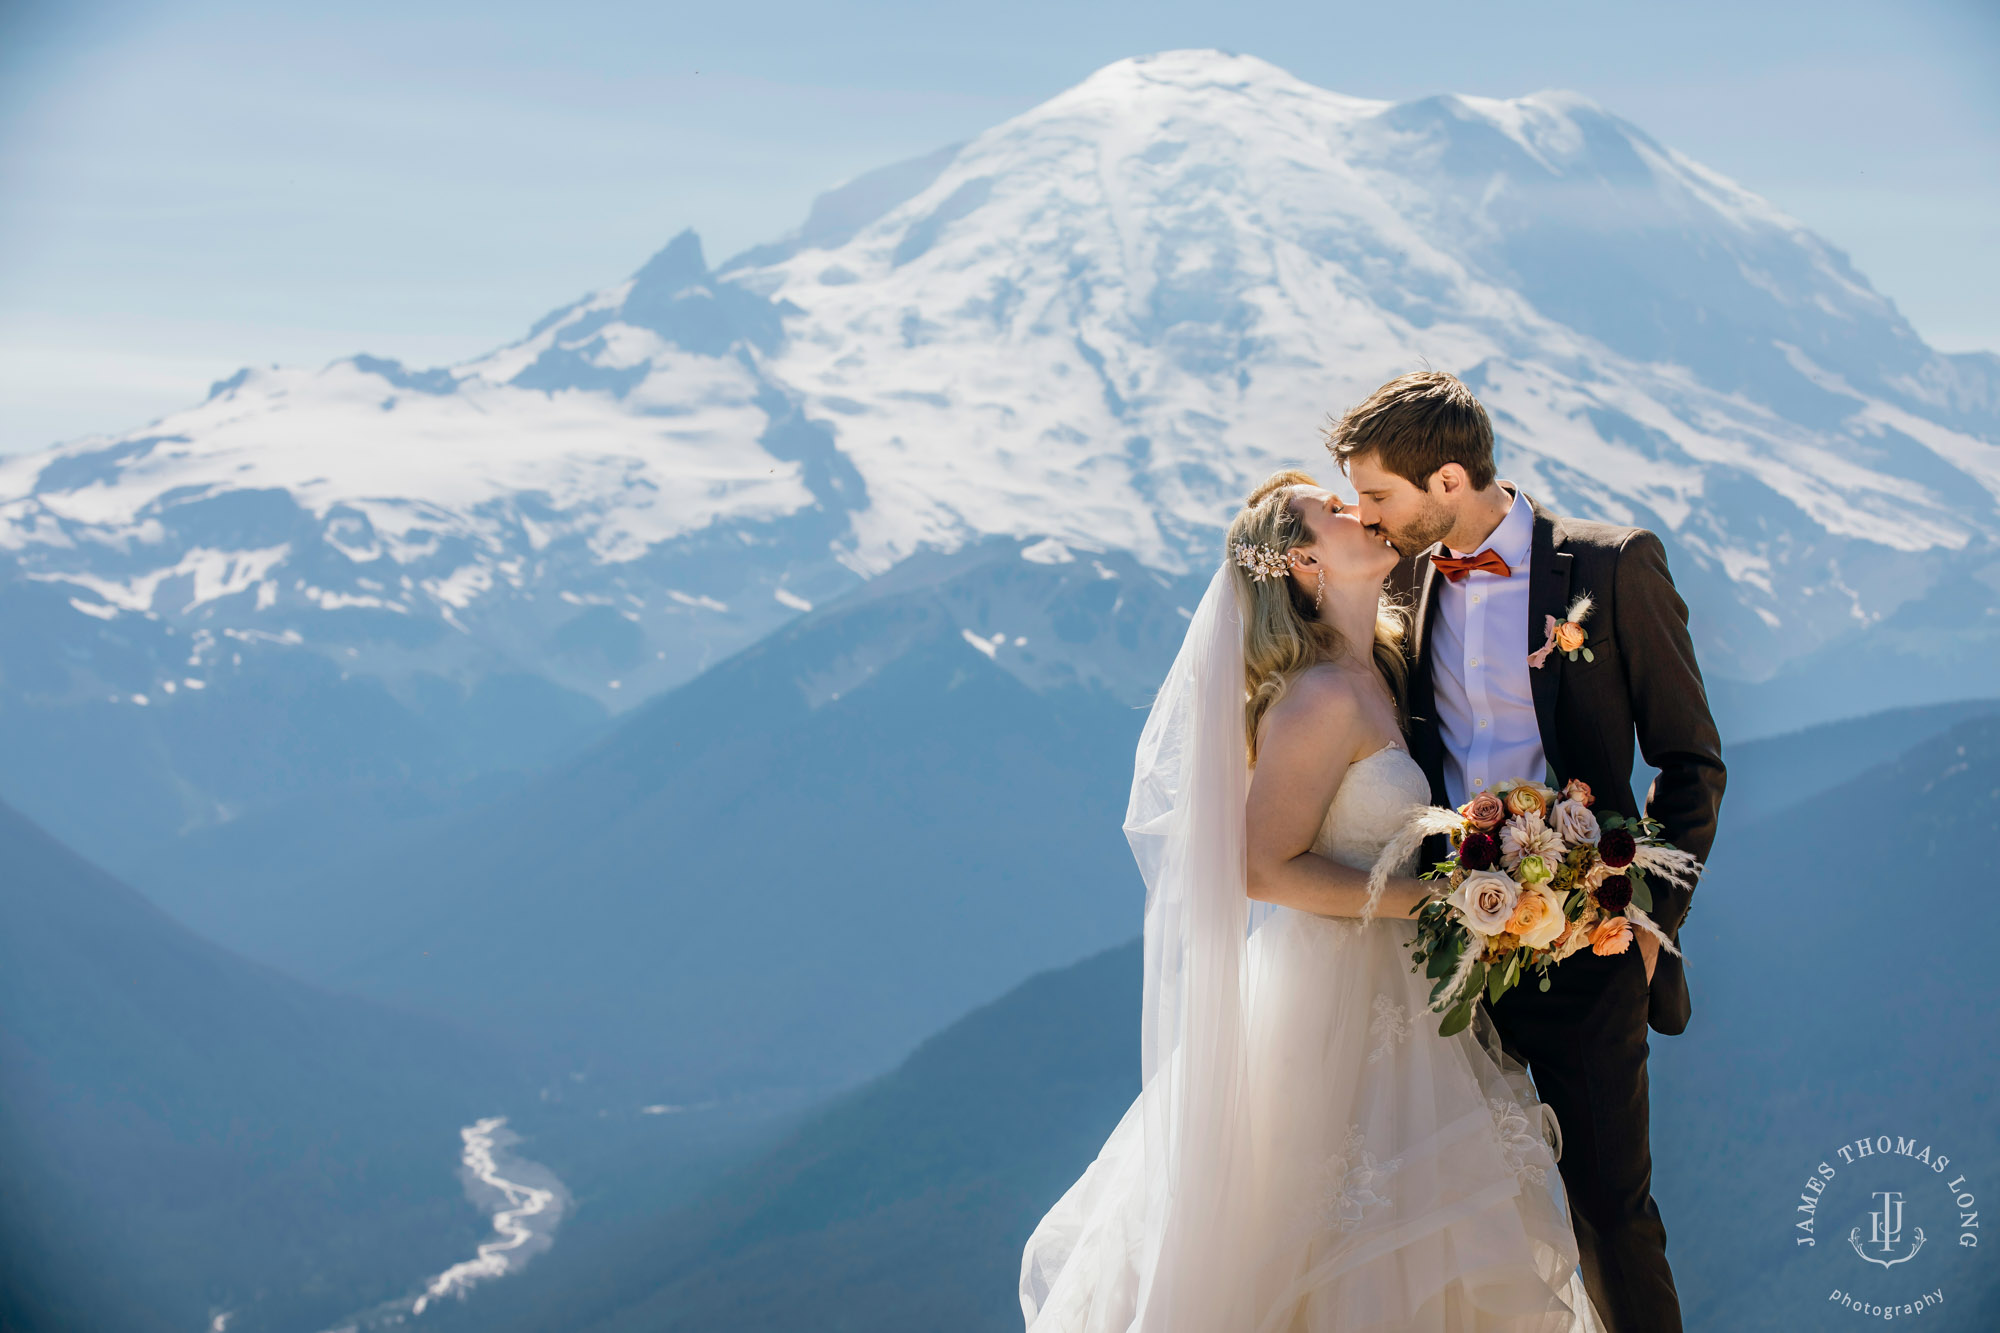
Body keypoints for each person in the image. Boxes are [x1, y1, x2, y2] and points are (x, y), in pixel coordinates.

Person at [1020, 470, 1604, 1332]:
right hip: (1336, 1003)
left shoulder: (1380, 668)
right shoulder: (1319, 698)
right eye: (1334, 511)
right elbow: (1260, 866)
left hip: (1404, 992)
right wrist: (1438, 900)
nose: (1357, 509)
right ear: (1302, 561)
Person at [1330, 371, 1726, 1333]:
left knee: (1607, 1211)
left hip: (1588, 948)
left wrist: (1643, 919)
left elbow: (1691, 763)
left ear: (1451, 479)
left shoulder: (1614, 565)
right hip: (1443, 956)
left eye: (1379, 496)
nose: (1366, 517)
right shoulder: (1406, 579)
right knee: (1448, 1218)